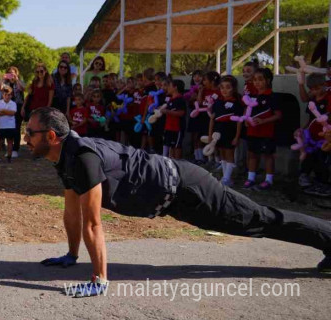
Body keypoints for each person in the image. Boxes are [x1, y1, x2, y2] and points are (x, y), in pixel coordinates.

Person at [27, 107, 331, 298]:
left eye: (30, 133)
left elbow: (93, 222)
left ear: (51, 135)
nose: (26, 137)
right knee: (254, 223)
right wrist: (70, 254)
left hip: (188, 188)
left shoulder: (82, 157)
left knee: (259, 220)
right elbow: (71, 212)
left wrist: (100, 280)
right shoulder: (64, 158)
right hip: (176, 201)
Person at [244, 68, 282, 190]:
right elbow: (247, 111)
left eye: (260, 79)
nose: (257, 82)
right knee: (253, 155)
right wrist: (246, 119)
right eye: (255, 80)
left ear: (268, 80)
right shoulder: (251, 96)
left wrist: (263, 121)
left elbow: (278, 115)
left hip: (267, 132)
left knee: (268, 156)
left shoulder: (272, 96)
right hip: (252, 132)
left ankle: (269, 180)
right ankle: (251, 178)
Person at [206, 75, 243, 187]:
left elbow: (239, 121)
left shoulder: (237, 103)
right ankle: (225, 176)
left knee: (229, 153)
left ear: (234, 88)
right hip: (218, 133)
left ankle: (227, 178)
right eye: (222, 87)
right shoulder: (217, 103)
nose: (224, 90)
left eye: (228, 87)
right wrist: (210, 135)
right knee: (222, 154)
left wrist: (237, 137)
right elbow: (212, 119)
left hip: (230, 132)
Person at [160, 79, 186, 160]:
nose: (167, 88)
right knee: (170, 145)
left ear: (175, 87)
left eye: (169, 86)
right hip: (168, 127)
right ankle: (170, 161)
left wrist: (167, 111)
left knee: (177, 146)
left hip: (177, 128)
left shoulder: (180, 99)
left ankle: (178, 162)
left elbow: (181, 113)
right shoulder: (170, 99)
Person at [0, 86, 18, 163]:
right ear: (2, 94)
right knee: (0, 140)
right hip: (1, 125)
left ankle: (9, 157)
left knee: (10, 141)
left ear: (11, 95)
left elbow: (12, 113)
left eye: (9, 94)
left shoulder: (13, 103)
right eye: (5, 94)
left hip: (10, 126)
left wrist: (3, 110)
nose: (7, 96)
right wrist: (7, 112)